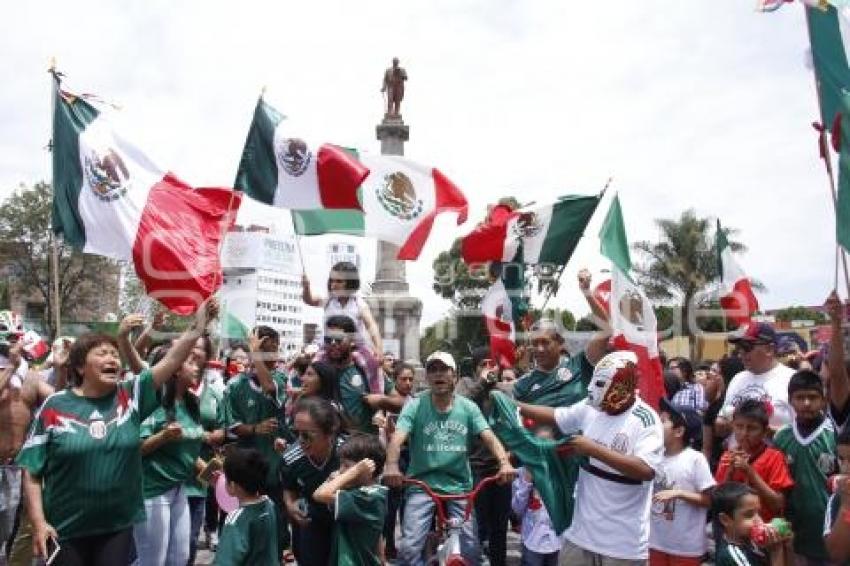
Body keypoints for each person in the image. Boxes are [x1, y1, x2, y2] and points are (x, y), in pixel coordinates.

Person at [16, 300, 216, 565]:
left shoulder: (131, 397)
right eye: (101, 354)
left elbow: (172, 360)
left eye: (114, 353)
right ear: (79, 367)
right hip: (65, 529)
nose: (112, 358)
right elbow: (31, 472)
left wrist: (198, 323)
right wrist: (39, 523)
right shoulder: (55, 406)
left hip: (116, 529)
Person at [518, 350, 664, 565]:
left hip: (622, 545)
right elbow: (557, 416)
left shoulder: (645, 420)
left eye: (600, 383)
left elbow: (646, 469)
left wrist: (593, 449)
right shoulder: (590, 407)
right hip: (579, 535)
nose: (590, 389)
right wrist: (515, 407)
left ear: (621, 386)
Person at [384, 351, 516, 565]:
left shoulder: (468, 407)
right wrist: (391, 465)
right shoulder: (415, 405)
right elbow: (398, 438)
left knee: (472, 552)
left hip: (459, 487)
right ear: (426, 377)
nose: (439, 374)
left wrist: (504, 463)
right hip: (421, 485)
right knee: (408, 550)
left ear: (454, 376)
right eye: (433, 370)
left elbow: (489, 437)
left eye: (444, 369)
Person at [131, 341, 206, 566]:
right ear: (174, 370)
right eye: (191, 363)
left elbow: (187, 448)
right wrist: (162, 437)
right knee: (152, 561)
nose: (197, 368)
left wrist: (206, 468)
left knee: (180, 557)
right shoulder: (154, 403)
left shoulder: (192, 403)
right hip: (152, 491)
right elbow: (135, 449)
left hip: (179, 488)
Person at [224, 325, 291, 560]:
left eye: (274, 350)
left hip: (274, 472)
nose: (272, 356)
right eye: (265, 351)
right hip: (246, 474)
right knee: (245, 535)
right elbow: (231, 427)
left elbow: (269, 388)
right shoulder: (234, 386)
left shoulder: (281, 379)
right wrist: (254, 429)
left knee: (275, 534)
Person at [772, 370, 837, 565]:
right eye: (800, 397)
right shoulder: (781, 437)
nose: (806, 403)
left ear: (824, 400)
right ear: (790, 400)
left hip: (830, 532)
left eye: (813, 397)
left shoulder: (834, 434)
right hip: (795, 533)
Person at [456, 347, 513, 566]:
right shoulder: (466, 385)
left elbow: (514, 422)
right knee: (476, 525)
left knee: (500, 526)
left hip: (501, 468)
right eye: (484, 364)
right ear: (476, 368)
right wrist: (481, 383)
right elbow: (460, 403)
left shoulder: (503, 390)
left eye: (493, 364)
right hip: (474, 467)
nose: (489, 369)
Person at [0, 337, 52, 564]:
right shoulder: (10, 371)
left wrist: (60, 368)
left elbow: (59, 402)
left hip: (19, 468)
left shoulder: (31, 378)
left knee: (17, 532)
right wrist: (11, 367)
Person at [649, 398, 715, 566]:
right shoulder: (653, 456)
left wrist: (679, 493)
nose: (656, 425)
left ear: (679, 432)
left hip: (686, 547)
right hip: (654, 542)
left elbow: (710, 500)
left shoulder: (695, 459)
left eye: (663, 421)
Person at [280, 397, 344, 566]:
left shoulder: (348, 454)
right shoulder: (291, 459)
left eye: (307, 435)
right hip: (312, 522)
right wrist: (291, 506)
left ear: (329, 432)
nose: (300, 440)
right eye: (296, 433)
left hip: (345, 523)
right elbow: (289, 490)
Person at [302, 262, 384, 393]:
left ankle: (378, 399)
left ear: (350, 283)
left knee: (372, 364)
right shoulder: (328, 299)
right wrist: (306, 288)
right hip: (329, 346)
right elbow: (309, 300)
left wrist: (379, 349)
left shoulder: (358, 303)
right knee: (313, 366)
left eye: (339, 281)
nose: (334, 284)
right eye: (332, 280)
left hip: (355, 347)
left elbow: (372, 326)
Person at [313, 433, 388, 566]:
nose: (341, 471)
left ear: (368, 469)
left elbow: (320, 494)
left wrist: (352, 472)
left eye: (346, 466)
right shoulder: (358, 492)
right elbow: (378, 536)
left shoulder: (368, 497)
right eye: (340, 465)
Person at [715, 399, 794, 523]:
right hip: (733, 531)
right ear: (733, 426)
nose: (744, 433)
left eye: (752, 428)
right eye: (739, 426)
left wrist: (750, 472)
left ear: (765, 432)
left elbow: (778, 505)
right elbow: (718, 503)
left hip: (764, 530)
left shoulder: (774, 457)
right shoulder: (727, 457)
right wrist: (729, 473)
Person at [323, 315, 402, 434]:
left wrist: (381, 401)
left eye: (338, 338)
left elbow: (400, 403)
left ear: (352, 341)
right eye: (328, 339)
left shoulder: (369, 369)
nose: (333, 343)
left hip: (365, 447)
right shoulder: (319, 372)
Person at [718, 322, 796, 435]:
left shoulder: (791, 379)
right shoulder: (737, 379)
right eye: (739, 348)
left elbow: (805, 431)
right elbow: (721, 423)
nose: (740, 354)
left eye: (746, 347)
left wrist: (760, 430)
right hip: (737, 452)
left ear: (769, 349)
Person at [213, 448, 278, 566]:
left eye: (225, 479)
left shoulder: (235, 520)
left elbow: (226, 561)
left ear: (232, 485)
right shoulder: (269, 504)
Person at [511, 426, 561, 566]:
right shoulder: (524, 472)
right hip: (532, 540)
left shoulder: (561, 474)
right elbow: (517, 509)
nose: (543, 449)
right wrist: (526, 483)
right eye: (539, 444)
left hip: (557, 541)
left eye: (547, 444)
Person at [712, 482, 793, 566]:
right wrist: (776, 551)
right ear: (725, 520)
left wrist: (787, 546)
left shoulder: (752, 541)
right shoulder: (731, 556)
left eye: (758, 512)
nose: (758, 520)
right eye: (749, 515)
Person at [381, 362, 415, 560]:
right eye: (404, 379)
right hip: (392, 459)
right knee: (390, 506)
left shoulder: (416, 402)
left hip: (411, 457)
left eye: (411, 379)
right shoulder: (386, 402)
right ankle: (388, 546)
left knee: (409, 504)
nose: (408, 383)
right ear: (395, 380)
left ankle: (408, 546)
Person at [824, 427, 850, 562]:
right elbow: (837, 555)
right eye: (841, 459)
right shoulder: (837, 500)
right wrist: (846, 507)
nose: (845, 468)